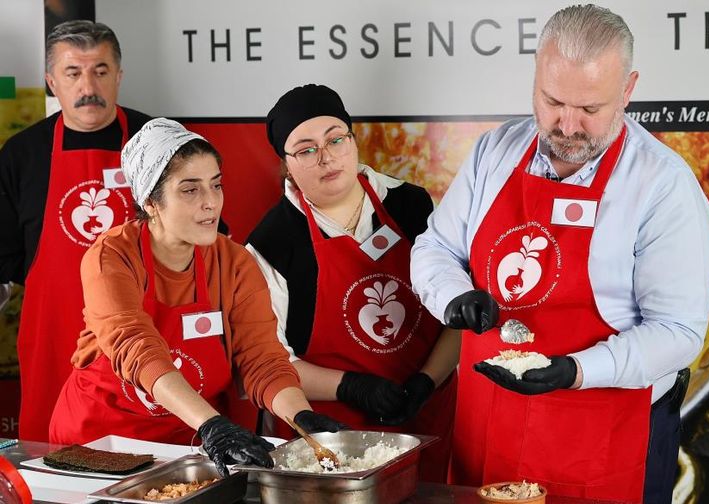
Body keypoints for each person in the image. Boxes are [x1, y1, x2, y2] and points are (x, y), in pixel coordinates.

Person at [410, 5, 709, 503]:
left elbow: (679, 332)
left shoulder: (663, 185)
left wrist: (577, 370)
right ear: (536, 77)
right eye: (553, 101)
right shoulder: (495, 151)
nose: (567, 124)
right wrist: (453, 294)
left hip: (602, 430)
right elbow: (435, 247)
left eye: (590, 109)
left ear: (628, 89)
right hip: (487, 422)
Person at [48, 118, 345, 476]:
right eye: (190, 190)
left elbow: (262, 359)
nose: (210, 203)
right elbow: (136, 347)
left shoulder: (234, 262)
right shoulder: (111, 256)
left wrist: (300, 415)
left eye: (215, 185)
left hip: (188, 449)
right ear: (151, 201)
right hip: (102, 444)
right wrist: (211, 425)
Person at [246, 84, 460, 482]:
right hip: (334, 436)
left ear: (353, 140)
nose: (326, 157)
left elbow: (454, 315)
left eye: (336, 139)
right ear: (287, 163)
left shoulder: (411, 205)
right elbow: (273, 361)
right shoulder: (271, 244)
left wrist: (426, 381)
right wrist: (352, 388)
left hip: (426, 416)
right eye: (307, 149)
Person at [0, 20, 150, 442]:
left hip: (142, 335)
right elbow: (5, 255)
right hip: (54, 337)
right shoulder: (21, 155)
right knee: (51, 455)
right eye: (73, 73)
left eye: (100, 71)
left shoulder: (157, 141)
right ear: (51, 82)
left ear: (118, 76)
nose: (89, 86)